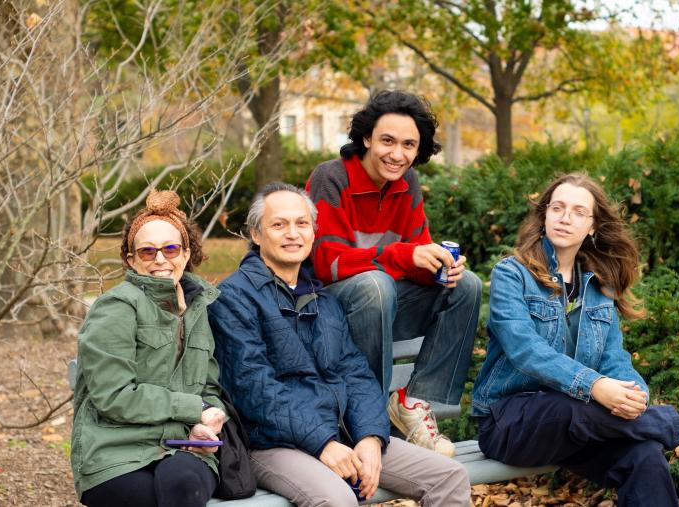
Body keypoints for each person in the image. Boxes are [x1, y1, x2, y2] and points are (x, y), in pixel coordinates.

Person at [472, 173, 679, 506]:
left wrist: (634, 396)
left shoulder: (598, 287)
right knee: (574, 406)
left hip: (580, 425)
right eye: (557, 208)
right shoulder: (511, 273)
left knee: (644, 455)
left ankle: (663, 430)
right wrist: (594, 387)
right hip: (510, 423)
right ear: (544, 214)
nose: (565, 217)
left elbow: (613, 357)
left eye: (578, 211)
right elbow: (526, 351)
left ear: (592, 226)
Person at [208, 183, 470, 506]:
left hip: (342, 433)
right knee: (337, 500)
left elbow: (356, 373)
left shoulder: (324, 300)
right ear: (257, 234)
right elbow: (254, 388)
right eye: (279, 225)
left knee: (449, 477)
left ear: (313, 232)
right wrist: (322, 442)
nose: (293, 233)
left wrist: (371, 437)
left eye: (302, 224)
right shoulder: (235, 298)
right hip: (272, 443)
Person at [306, 90, 482, 457]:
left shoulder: (407, 185)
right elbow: (328, 263)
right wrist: (404, 255)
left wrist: (437, 269)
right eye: (387, 140)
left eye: (409, 145)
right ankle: (365, 412)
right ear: (367, 138)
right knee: (376, 284)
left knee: (466, 284)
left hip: (382, 308)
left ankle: (413, 403)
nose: (397, 154)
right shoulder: (331, 177)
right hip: (325, 312)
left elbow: (414, 259)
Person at [71, 190, 226, 507]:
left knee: (183, 484)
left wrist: (208, 417)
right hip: (116, 450)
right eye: (147, 252)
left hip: (186, 443)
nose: (160, 259)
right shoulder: (114, 309)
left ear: (185, 254)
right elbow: (113, 395)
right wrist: (191, 408)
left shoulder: (199, 309)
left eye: (170, 249)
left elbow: (209, 384)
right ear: (131, 259)